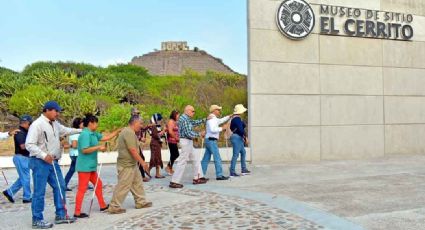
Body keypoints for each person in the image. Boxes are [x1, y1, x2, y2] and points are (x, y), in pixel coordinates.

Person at [25, 101, 82, 229]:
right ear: (47, 110)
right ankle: (37, 219)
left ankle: (61, 214)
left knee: (60, 186)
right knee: (39, 191)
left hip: (53, 161)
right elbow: (29, 144)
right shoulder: (37, 125)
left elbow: (66, 130)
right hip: (40, 162)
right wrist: (43, 155)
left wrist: (81, 130)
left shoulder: (55, 124)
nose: (57, 113)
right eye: (56, 111)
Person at [73, 114, 121, 218]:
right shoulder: (85, 134)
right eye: (96, 123)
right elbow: (84, 150)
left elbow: (105, 137)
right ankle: (77, 212)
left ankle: (103, 205)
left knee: (98, 184)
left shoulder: (93, 133)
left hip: (91, 166)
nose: (97, 125)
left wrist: (117, 131)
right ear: (91, 123)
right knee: (82, 189)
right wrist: (98, 147)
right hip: (84, 166)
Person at [108, 116, 152, 214]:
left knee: (137, 183)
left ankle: (140, 202)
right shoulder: (128, 132)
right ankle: (114, 206)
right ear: (135, 123)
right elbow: (132, 150)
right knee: (123, 186)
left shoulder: (130, 132)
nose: (141, 126)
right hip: (126, 165)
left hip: (132, 164)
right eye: (140, 123)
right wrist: (143, 162)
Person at [169, 105, 207, 189]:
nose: (194, 113)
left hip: (187, 141)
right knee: (182, 161)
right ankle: (174, 181)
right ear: (188, 111)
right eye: (193, 111)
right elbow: (188, 133)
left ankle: (198, 177)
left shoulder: (186, 118)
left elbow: (193, 123)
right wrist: (199, 134)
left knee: (195, 158)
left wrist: (204, 120)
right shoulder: (185, 119)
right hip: (186, 141)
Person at [2, 115, 33, 204]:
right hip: (21, 157)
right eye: (30, 124)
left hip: (24, 157)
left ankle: (9, 192)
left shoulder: (25, 132)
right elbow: (22, 146)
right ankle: (27, 197)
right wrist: (33, 145)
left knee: (23, 178)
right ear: (26, 123)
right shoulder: (20, 133)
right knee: (26, 178)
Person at [201, 105, 231, 181]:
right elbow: (213, 129)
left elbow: (221, 120)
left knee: (206, 159)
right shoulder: (212, 119)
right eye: (218, 110)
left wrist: (229, 116)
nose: (219, 111)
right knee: (217, 158)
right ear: (214, 110)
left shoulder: (214, 118)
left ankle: (200, 175)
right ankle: (219, 175)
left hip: (209, 140)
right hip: (211, 140)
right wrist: (222, 128)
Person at [229, 104, 250, 177]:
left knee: (243, 152)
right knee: (236, 155)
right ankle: (232, 171)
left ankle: (243, 169)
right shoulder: (237, 119)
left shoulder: (235, 119)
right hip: (237, 138)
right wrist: (245, 137)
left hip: (237, 137)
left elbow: (237, 128)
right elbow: (241, 130)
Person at [131, 108, 151, 182]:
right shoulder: (133, 121)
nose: (138, 114)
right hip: (133, 143)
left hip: (136, 143)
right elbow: (132, 133)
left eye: (138, 113)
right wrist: (140, 138)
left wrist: (148, 126)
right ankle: (141, 176)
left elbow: (142, 128)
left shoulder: (137, 121)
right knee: (140, 158)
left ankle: (139, 175)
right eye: (136, 113)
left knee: (140, 158)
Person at [64, 118, 83, 191]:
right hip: (77, 154)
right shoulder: (76, 133)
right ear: (78, 124)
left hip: (73, 154)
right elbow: (74, 145)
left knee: (72, 170)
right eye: (82, 123)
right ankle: (83, 185)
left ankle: (64, 184)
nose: (83, 124)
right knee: (82, 170)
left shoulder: (74, 133)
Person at [147, 113, 165, 178]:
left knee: (158, 158)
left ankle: (157, 174)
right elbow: (155, 135)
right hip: (154, 144)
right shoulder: (154, 126)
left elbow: (159, 135)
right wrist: (163, 131)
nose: (160, 121)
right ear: (155, 119)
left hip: (156, 144)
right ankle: (147, 171)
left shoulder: (157, 126)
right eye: (159, 119)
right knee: (154, 159)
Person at [165, 110, 180, 175]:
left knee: (174, 154)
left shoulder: (175, 122)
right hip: (171, 141)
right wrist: (176, 137)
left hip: (174, 141)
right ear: (174, 115)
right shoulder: (171, 121)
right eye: (177, 115)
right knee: (175, 154)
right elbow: (170, 132)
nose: (178, 116)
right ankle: (168, 167)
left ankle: (170, 167)